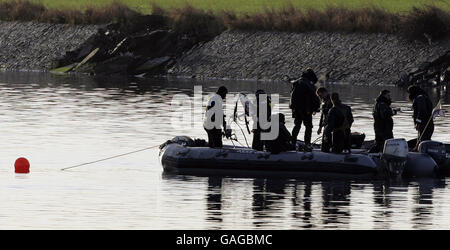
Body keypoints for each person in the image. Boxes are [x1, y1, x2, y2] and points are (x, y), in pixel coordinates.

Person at [289, 68, 321, 148]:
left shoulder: (295, 83)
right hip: (306, 109)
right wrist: (316, 108)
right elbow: (315, 98)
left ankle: (292, 142)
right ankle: (307, 144)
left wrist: (293, 108)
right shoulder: (309, 84)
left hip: (296, 109)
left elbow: (292, 96)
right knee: (308, 126)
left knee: (297, 125)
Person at [316, 87, 333, 152]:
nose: (320, 97)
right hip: (326, 125)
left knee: (327, 142)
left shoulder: (331, 101)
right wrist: (320, 127)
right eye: (319, 96)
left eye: (320, 95)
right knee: (325, 141)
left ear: (325, 93)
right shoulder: (324, 101)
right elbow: (323, 115)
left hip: (331, 125)